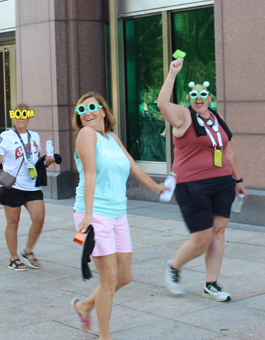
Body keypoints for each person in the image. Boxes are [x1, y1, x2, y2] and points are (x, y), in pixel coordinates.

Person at [70, 92, 168, 340]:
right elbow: (90, 174)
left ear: (103, 110)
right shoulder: (86, 134)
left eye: (92, 107)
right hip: (94, 214)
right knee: (110, 279)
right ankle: (105, 336)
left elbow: (133, 165)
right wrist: (89, 214)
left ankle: (84, 306)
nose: (87, 113)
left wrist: (156, 187)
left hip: (118, 213)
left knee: (124, 276)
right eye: (81, 111)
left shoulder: (111, 138)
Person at [157, 58, 247, 301]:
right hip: (192, 185)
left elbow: (228, 151)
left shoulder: (216, 119)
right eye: (194, 94)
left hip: (222, 184)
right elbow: (163, 104)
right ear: (190, 97)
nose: (199, 98)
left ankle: (211, 284)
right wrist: (172, 73)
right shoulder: (183, 116)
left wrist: (238, 180)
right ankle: (173, 267)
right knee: (202, 238)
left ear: (210, 97)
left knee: (218, 231)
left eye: (203, 94)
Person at [0, 103, 55, 271]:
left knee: (39, 218)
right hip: (13, 185)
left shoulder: (35, 136)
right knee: (13, 222)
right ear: (13, 116)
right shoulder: (5, 136)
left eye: (24, 114)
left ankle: (28, 251)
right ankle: (13, 258)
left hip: (32, 185)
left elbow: (35, 160)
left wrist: (47, 162)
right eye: (17, 114)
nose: (21, 117)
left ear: (29, 116)